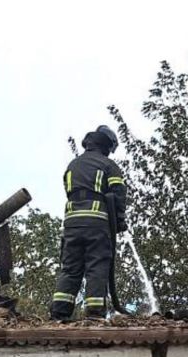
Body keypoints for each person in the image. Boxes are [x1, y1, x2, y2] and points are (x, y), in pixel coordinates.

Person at [50, 125, 127, 320]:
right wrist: (119, 221)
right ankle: (94, 313)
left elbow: (70, 192)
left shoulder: (73, 165)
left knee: (70, 267)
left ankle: (59, 312)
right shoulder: (108, 165)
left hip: (72, 223)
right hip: (97, 222)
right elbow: (118, 193)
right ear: (107, 145)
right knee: (97, 265)